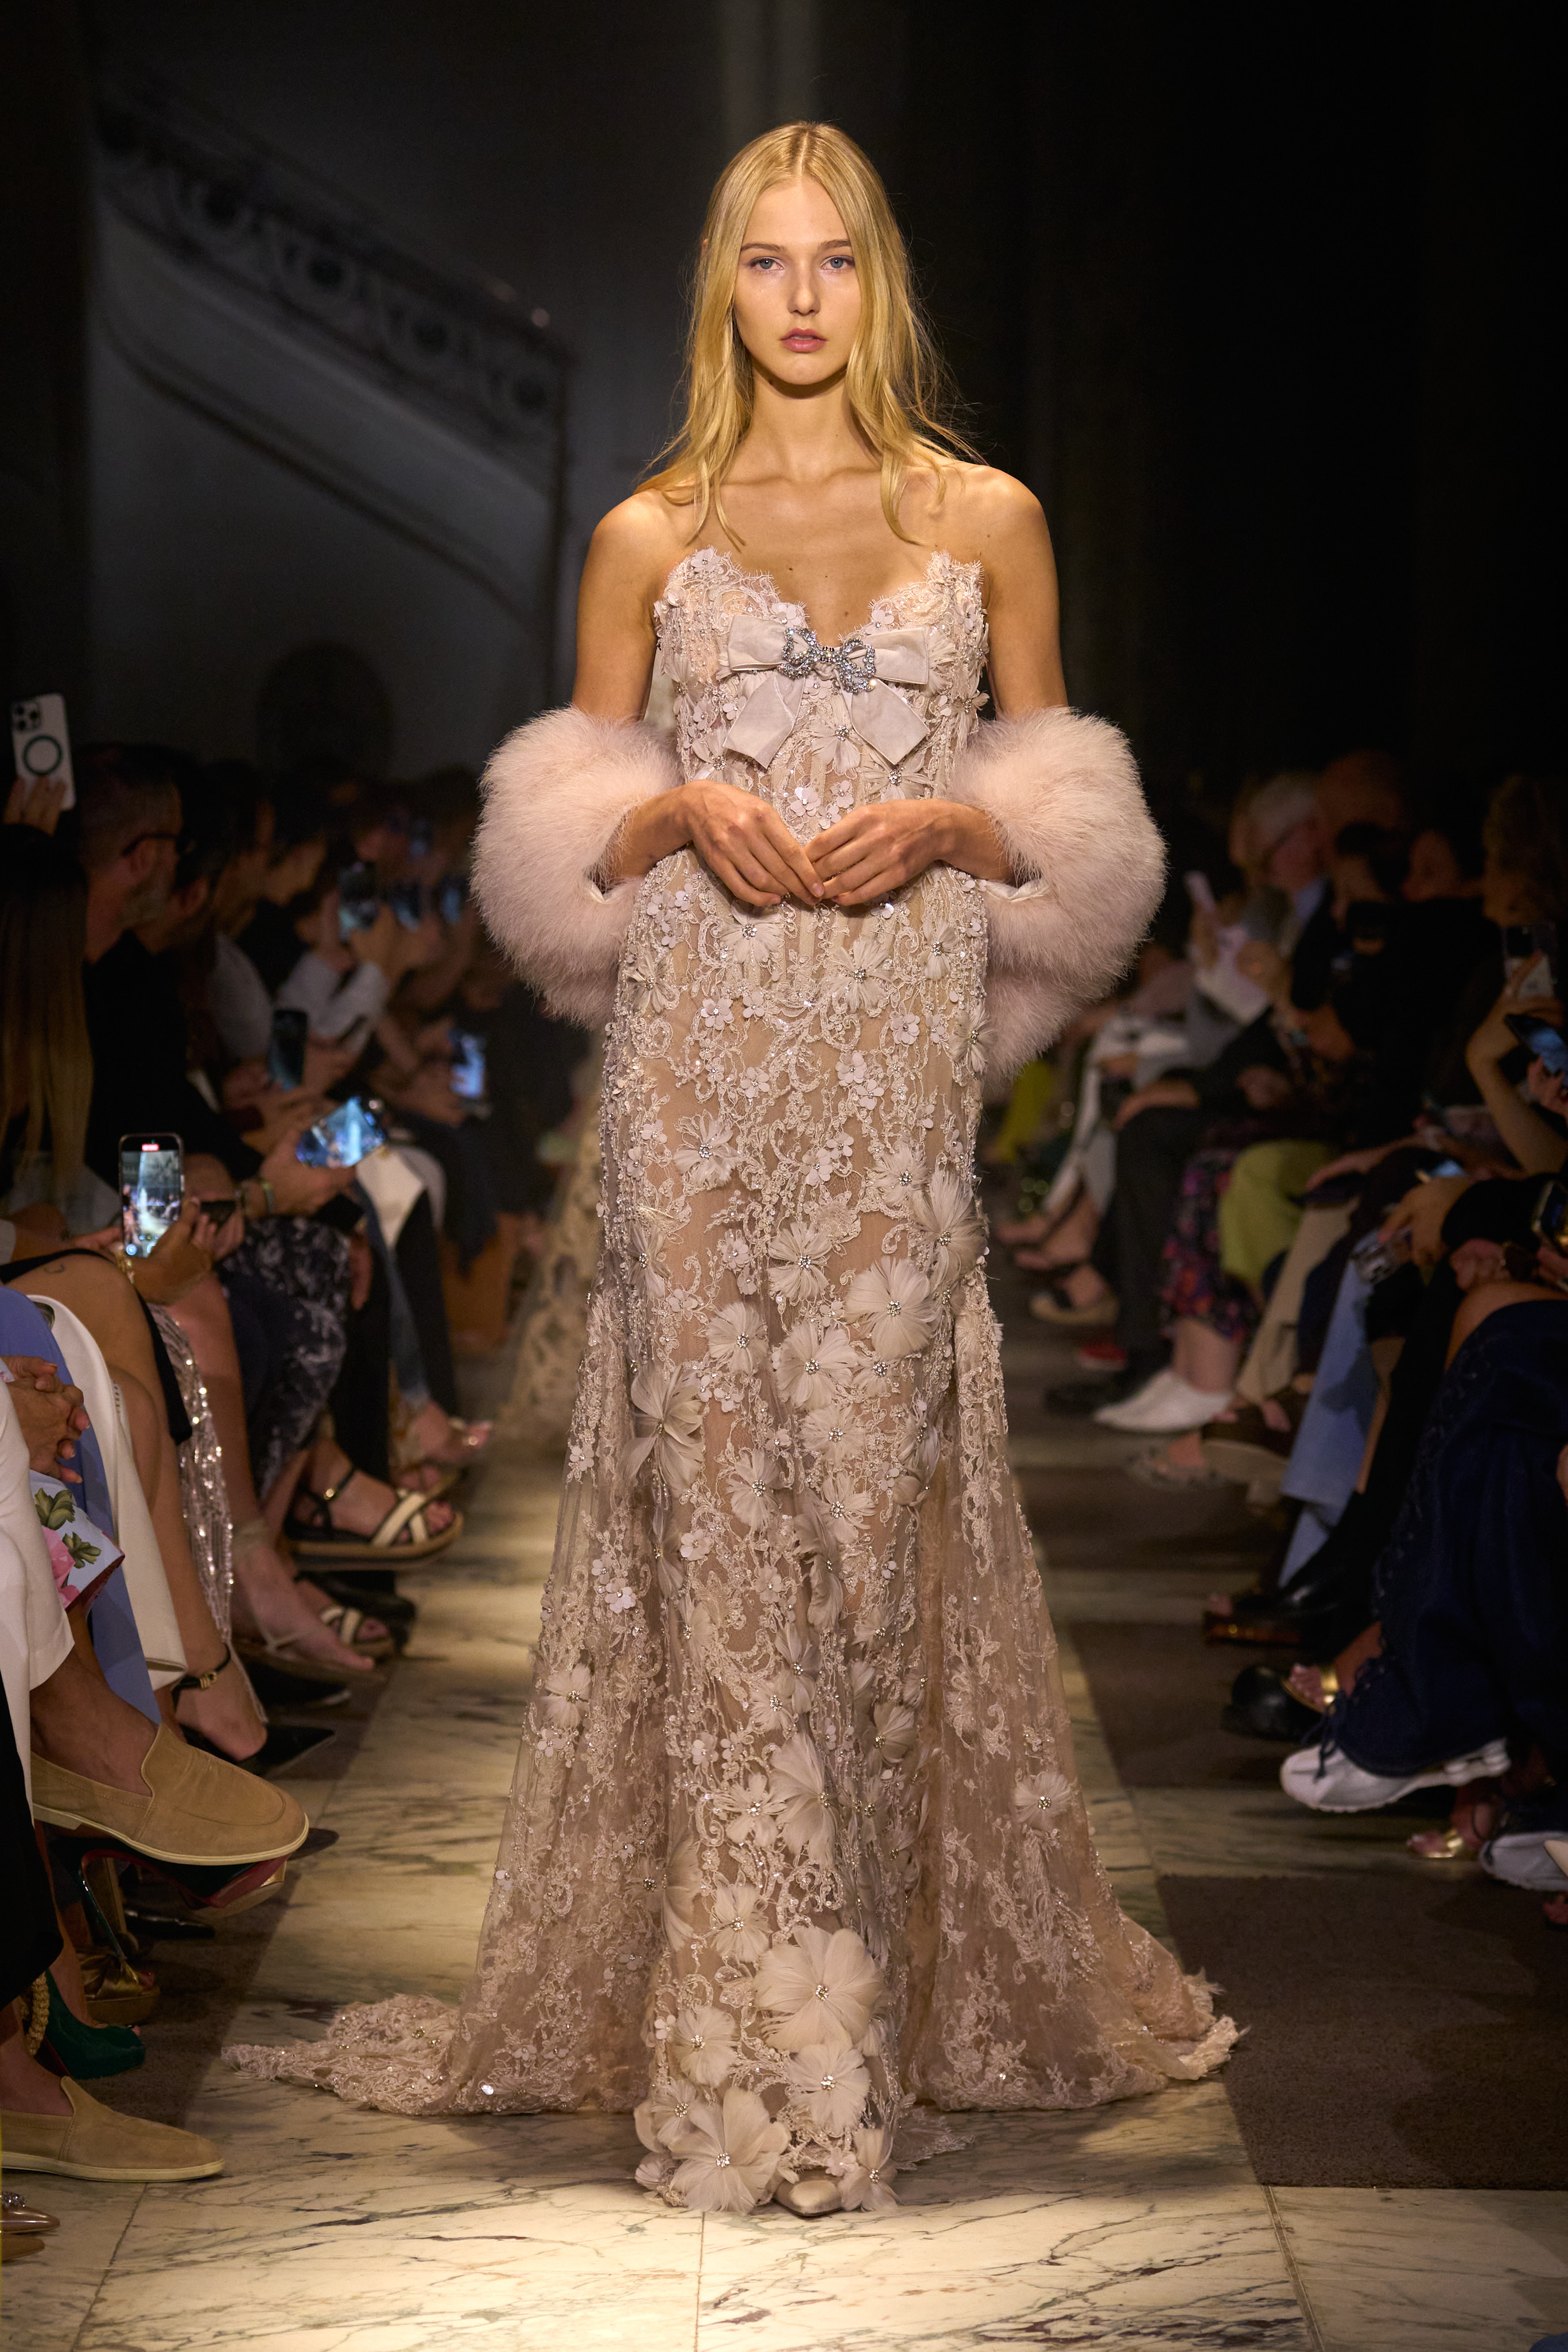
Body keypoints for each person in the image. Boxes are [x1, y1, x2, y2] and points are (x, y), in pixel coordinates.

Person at [227, 119, 1232, 2214]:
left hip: (887, 1070)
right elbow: (558, 850)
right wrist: (678, 815)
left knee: (869, 1512)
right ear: (722, 283)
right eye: (766, 260)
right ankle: (762, 2024)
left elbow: (1075, 826)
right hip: (697, 1061)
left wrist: (957, 827)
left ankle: (862, 1974)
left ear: (879, 281)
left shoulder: (988, 517)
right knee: (718, 1518)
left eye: (834, 259)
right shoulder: (644, 534)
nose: (800, 297)